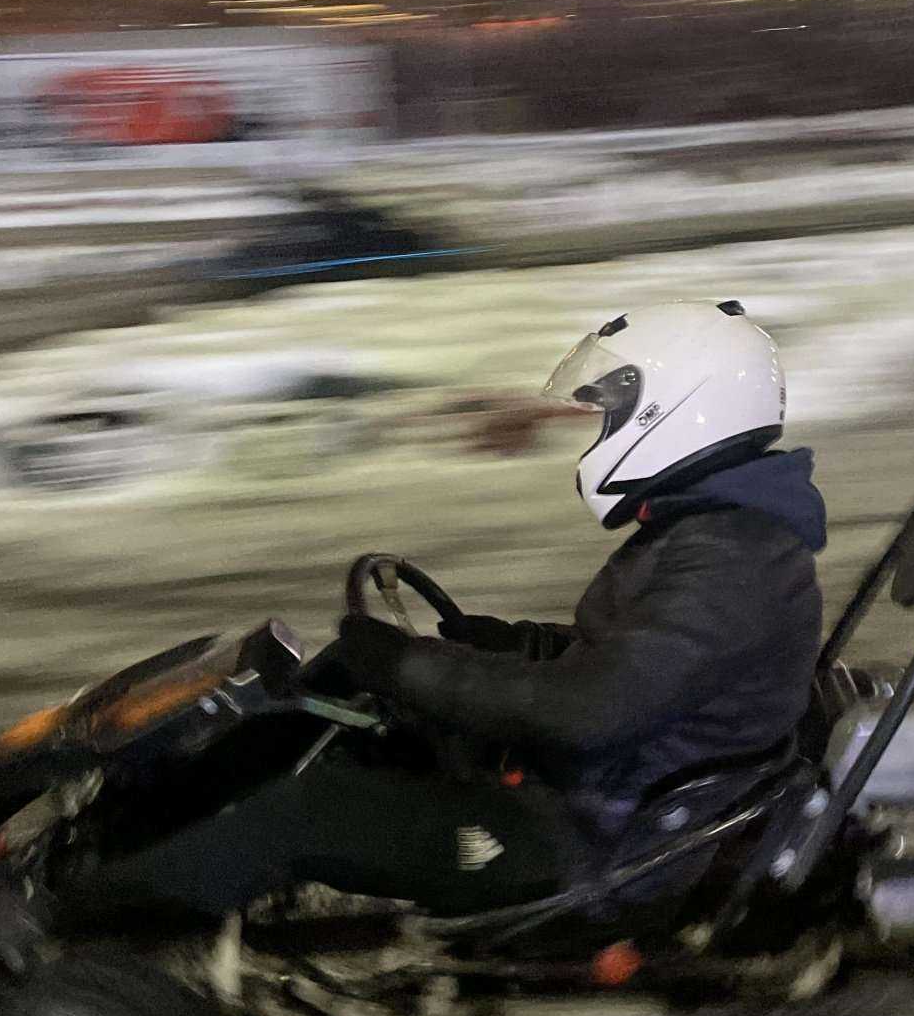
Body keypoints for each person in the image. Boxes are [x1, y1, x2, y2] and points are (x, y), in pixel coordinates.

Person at [92, 300, 827, 922]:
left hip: (603, 847)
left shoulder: (730, 556)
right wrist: (506, 642)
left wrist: (411, 664)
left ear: (676, 411)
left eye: (608, 411)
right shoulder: (715, 531)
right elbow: (639, 666)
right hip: (608, 798)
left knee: (311, 810)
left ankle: (85, 926)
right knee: (354, 731)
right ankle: (133, 836)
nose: (595, 431)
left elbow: (592, 709)